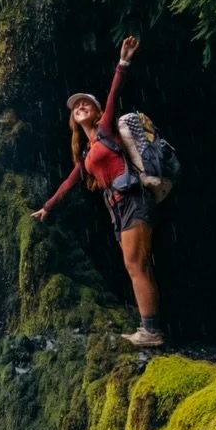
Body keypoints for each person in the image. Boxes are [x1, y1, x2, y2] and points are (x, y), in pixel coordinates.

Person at [30, 34, 162, 347]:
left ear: (96, 110)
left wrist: (123, 63)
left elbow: (114, 94)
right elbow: (69, 183)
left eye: (86, 103)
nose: (80, 106)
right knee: (137, 265)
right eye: (76, 106)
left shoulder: (106, 130)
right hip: (117, 209)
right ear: (73, 120)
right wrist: (47, 207)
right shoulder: (88, 153)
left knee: (136, 266)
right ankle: (150, 327)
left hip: (132, 200)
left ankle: (151, 331)